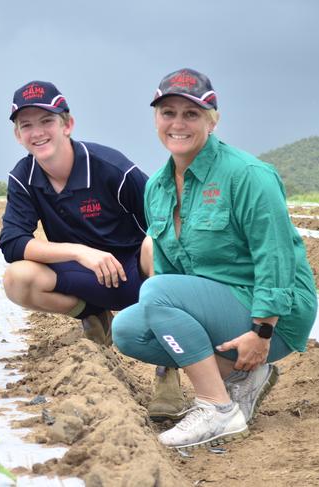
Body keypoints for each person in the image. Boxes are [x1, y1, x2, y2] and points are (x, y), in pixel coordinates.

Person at [112, 68, 318, 450]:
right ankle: (242, 379)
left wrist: (263, 330)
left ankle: (216, 406)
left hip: (275, 314)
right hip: (215, 307)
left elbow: (275, 256)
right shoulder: (156, 187)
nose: (178, 123)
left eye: (191, 114)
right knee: (127, 329)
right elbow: (173, 271)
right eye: (168, 112)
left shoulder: (248, 175)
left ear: (213, 119)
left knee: (155, 290)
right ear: (156, 118)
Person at [0, 80, 186, 420]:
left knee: (154, 244)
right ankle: (93, 316)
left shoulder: (112, 168)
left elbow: (163, 222)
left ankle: (166, 367)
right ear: (17, 135)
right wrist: (79, 252)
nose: (37, 132)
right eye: (26, 125)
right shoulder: (23, 177)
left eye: (47, 121)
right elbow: (12, 242)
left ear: (67, 125)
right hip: (85, 275)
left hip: (135, 277)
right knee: (17, 277)